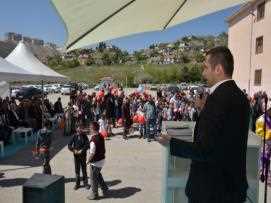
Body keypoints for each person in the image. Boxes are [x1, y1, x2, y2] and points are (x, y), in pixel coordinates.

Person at [157, 46, 250, 203]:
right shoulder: (240, 97)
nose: (203, 73)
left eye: (205, 67)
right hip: (233, 188)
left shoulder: (217, 100)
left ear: (218, 69)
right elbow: (223, 138)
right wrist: (203, 110)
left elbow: (205, 150)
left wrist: (171, 143)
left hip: (211, 192)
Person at [87, 122, 108, 200]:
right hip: (102, 159)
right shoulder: (101, 136)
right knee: (98, 175)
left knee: (93, 178)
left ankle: (94, 194)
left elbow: (92, 153)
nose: (89, 129)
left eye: (90, 128)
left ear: (92, 129)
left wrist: (88, 161)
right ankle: (104, 188)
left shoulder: (93, 140)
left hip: (95, 162)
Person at [68, 125, 90, 190]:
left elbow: (87, 145)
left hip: (83, 156)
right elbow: (69, 145)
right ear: (76, 129)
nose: (79, 130)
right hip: (76, 156)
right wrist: (73, 150)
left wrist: (82, 150)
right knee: (77, 170)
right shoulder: (74, 136)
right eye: (78, 129)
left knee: (84, 170)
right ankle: (77, 184)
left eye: (80, 129)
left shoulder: (84, 136)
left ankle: (85, 184)